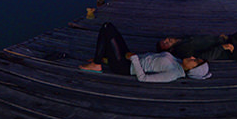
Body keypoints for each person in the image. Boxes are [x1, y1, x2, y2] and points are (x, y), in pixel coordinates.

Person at [80, 22, 210, 82]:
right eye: (196, 58)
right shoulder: (177, 61)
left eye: (195, 61)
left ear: (193, 70)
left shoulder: (173, 74)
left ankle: (97, 64)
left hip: (124, 67)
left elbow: (143, 78)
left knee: (107, 28)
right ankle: (102, 59)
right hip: (128, 58)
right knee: (111, 29)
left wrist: (135, 59)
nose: (193, 57)